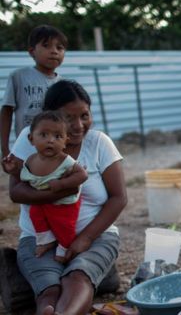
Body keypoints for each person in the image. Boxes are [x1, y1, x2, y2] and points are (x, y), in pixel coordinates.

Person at [2, 80, 127, 315]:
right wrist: (58, 191)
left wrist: (86, 239)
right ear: (50, 116)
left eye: (85, 115)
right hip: (39, 239)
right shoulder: (30, 138)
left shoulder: (99, 143)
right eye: (69, 118)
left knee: (78, 277)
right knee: (49, 287)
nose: (79, 126)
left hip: (96, 235)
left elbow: (119, 198)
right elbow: (16, 192)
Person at [4, 111, 88, 263]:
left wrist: (62, 184)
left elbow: (82, 175)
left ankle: (64, 246)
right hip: (42, 203)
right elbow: (24, 177)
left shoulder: (65, 160)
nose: (50, 141)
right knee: (35, 214)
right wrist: (13, 171)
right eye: (43, 135)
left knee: (64, 226)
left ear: (65, 141)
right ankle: (46, 239)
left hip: (65, 204)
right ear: (31, 139)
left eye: (57, 136)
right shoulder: (30, 160)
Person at [1, 25, 67, 160]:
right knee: (20, 180)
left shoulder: (63, 85)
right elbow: (6, 112)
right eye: (46, 46)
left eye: (59, 48)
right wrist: (5, 148)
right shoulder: (19, 77)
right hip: (25, 150)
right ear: (32, 51)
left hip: (54, 152)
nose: (54, 51)